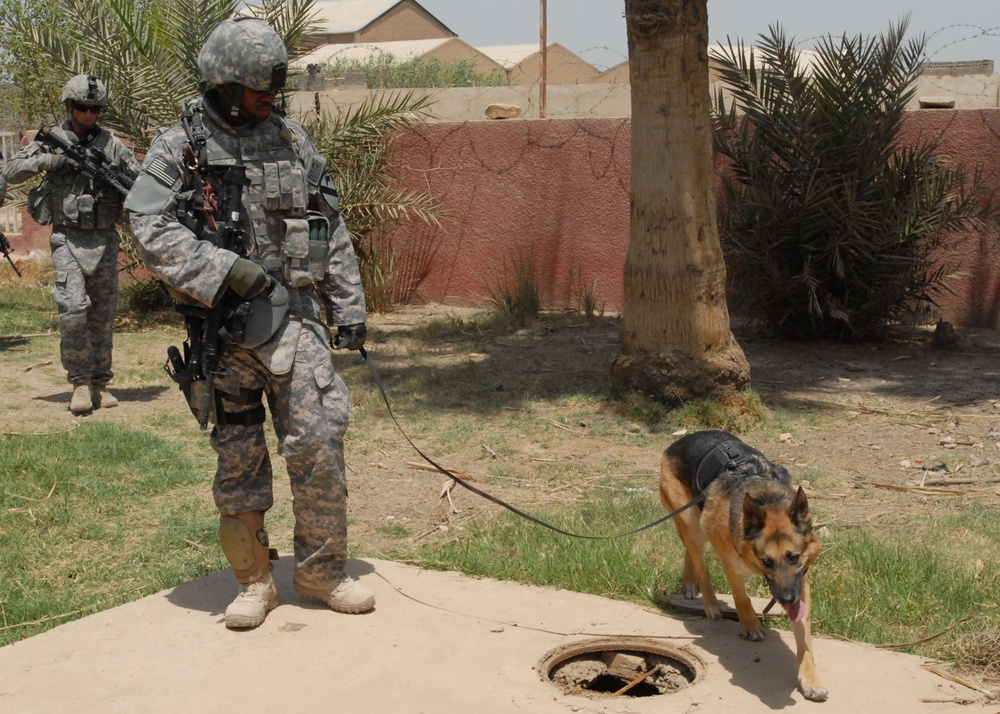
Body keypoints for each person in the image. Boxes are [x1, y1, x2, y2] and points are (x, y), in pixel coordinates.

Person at [125, 17, 374, 629]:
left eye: (274, 88)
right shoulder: (179, 144)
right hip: (225, 333)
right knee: (238, 462)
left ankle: (321, 574)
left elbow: (327, 225)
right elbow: (147, 225)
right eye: (261, 89)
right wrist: (224, 268)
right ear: (227, 85)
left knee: (319, 444)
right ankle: (254, 582)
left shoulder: (291, 138)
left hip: (297, 321)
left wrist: (349, 307)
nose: (271, 99)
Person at [2, 75, 140, 414]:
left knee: (103, 316)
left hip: (106, 238)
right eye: (82, 107)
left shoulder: (112, 144)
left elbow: (139, 180)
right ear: (69, 105)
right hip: (67, 237)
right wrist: (52, 161)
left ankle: (100, 383)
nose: (88, 114)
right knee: (74, 310)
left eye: (94, 108)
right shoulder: (53, 140)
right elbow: (12, 169)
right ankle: (79, 382)